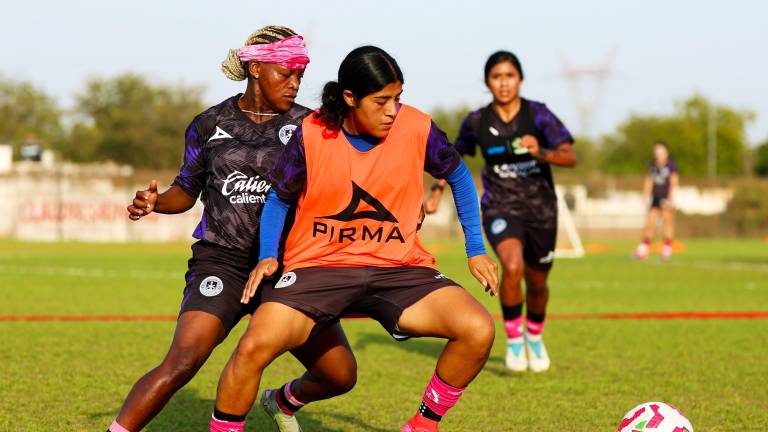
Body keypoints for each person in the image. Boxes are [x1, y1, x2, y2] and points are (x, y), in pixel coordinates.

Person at [210, 45, 499, 432]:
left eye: (398, 98)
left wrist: (476, 250)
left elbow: (460, 177)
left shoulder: (417, 127)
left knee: (477, 329)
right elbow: (281, 197)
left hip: (400, 267)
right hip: (318, 268)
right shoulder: (311, 133)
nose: (392, 110)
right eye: (381, 101)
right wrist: (267, 254)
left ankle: (422, 425)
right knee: (253, 348)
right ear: (349, 98)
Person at [111, 26, 356, 432]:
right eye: (286, 73)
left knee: (340, 374)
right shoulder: (208, 124)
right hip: (221, 260)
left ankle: (282, 401)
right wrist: (156, 202)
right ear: (255, 68)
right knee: (182, 361)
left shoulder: (311, 127)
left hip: (287, 266)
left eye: (300, 74)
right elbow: (186, 191)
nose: (295, 84)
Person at [425, 51, 576, 373]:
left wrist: (543, 151)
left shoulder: (538, 115)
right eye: (496, 77)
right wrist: (437, 190)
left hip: (541, 210)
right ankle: (514, 340)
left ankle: (534, 336)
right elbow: (450, 158)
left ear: (520, 79)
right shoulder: (477, 121)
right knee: (512, 264)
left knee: (537, 282)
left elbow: (569, 155)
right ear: (487, 83)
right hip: (500, 206)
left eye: (509, 76)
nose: (503, 83)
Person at [633, 141, 679, 260]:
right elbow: (649, 181)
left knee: (667, 224)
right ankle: (643, 250)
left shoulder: (671, 166)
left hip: (666, 198)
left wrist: (671, 198)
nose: (658, 153)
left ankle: (666, 250)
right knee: (650, 225)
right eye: (656, 150)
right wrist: (645, 195)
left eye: (661, 150)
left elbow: (674, 182)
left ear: (666, 152)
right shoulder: (652, 166)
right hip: (655, 198)